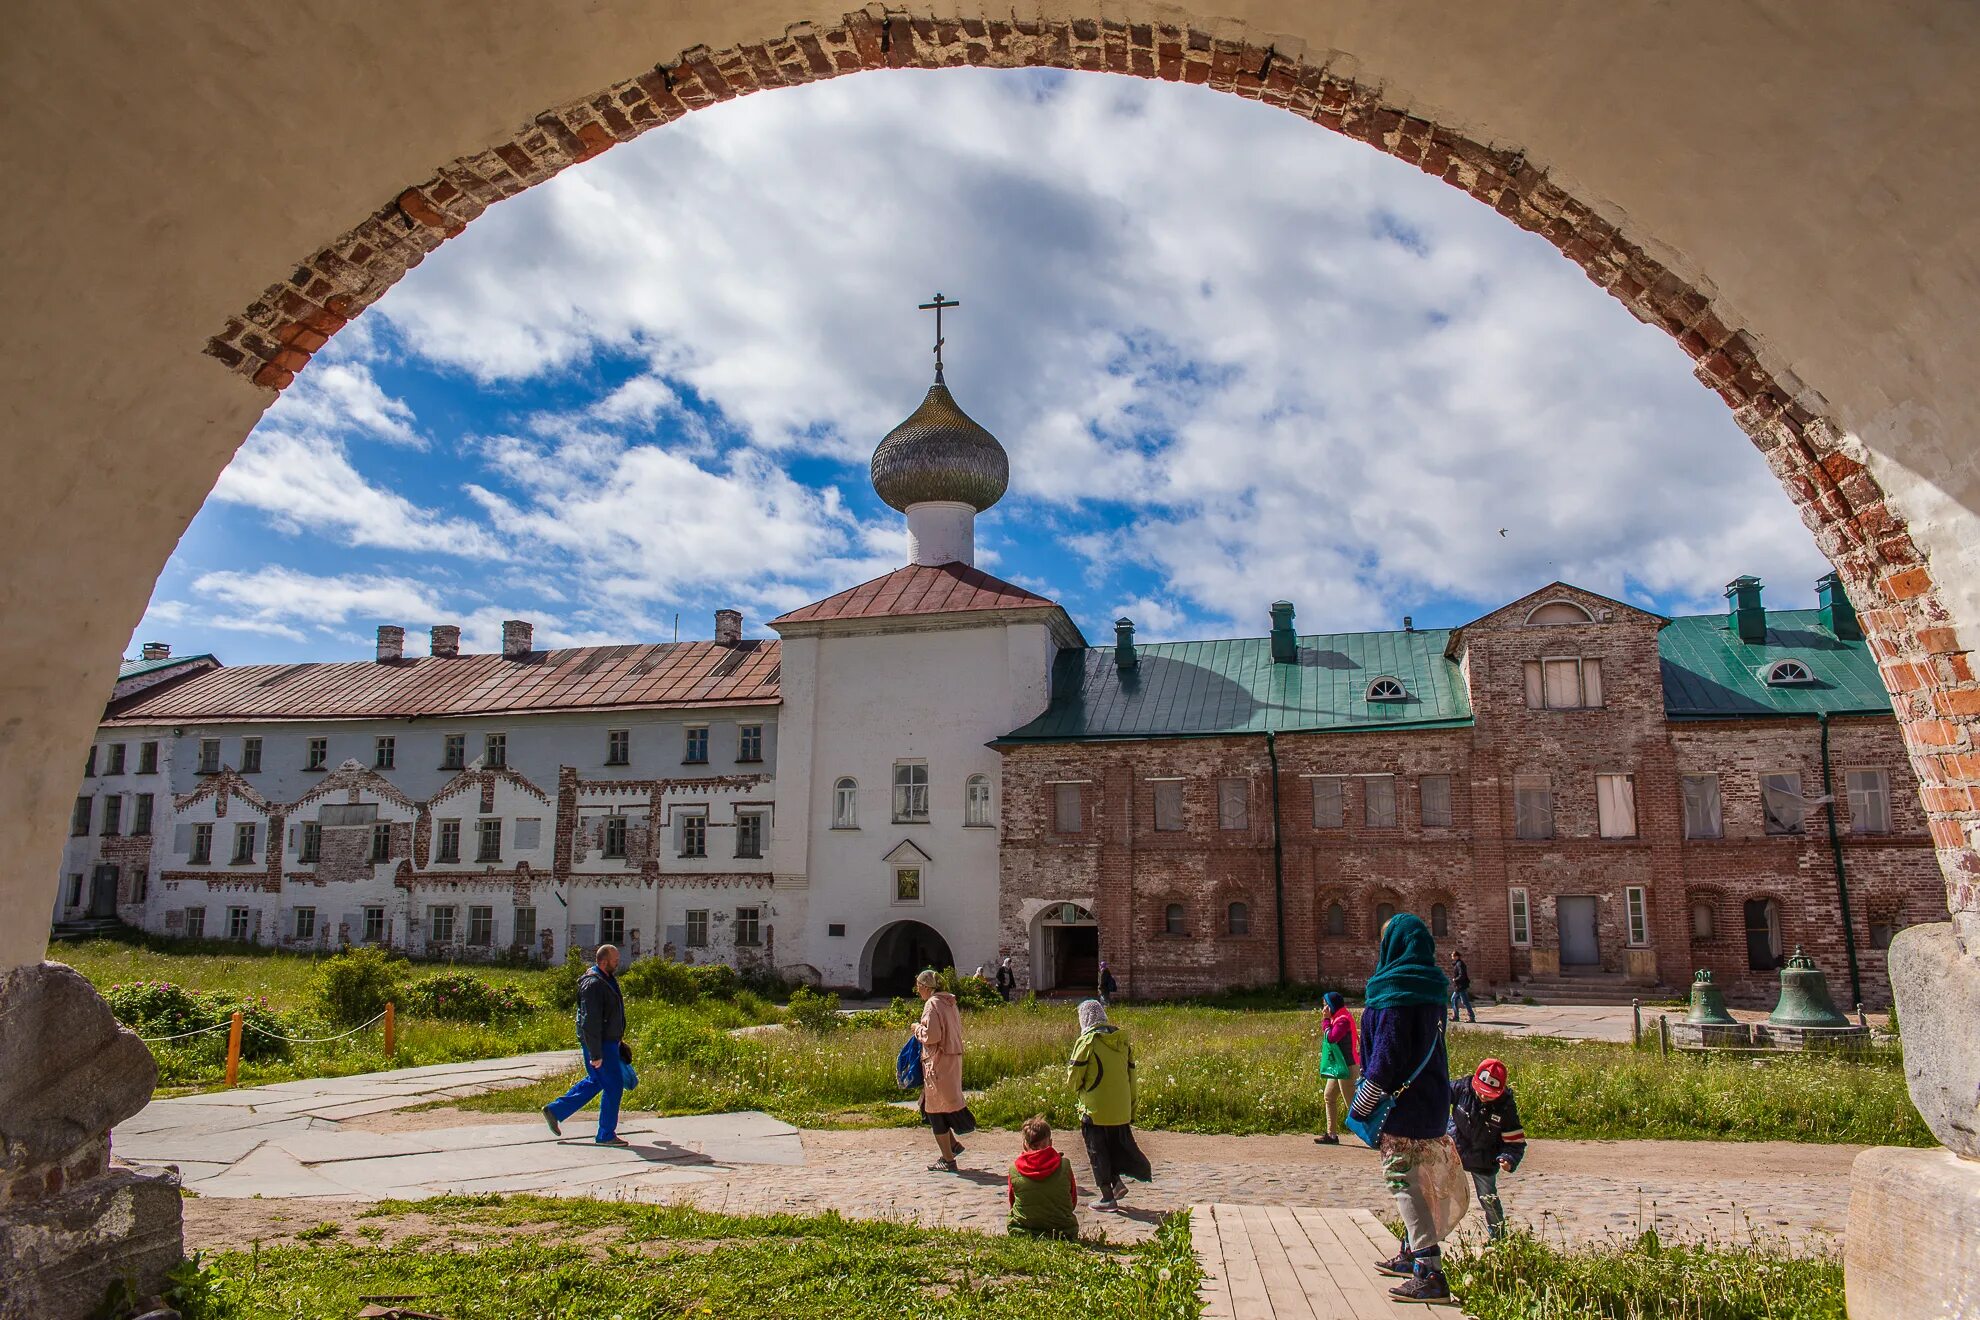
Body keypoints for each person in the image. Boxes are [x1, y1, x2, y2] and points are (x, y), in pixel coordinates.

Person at [1351, 914, 1455, 1304]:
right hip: (1432, 1100)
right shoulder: (1431, 986)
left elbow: (1387, 1056)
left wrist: (1362, 1105)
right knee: (1420, 1179)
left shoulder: (1395, 990)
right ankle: (1411, 1252)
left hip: (1403, 1106)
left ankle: (1429, 1271)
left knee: (1403, 1182)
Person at [542, 943, 629, 1147]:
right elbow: (590, 1022)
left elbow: (610, 1015)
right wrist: (596, 1053)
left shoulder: (607, 979)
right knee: (613, 1086)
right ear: (604, 961)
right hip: (599, 1045)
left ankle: (556, 1110)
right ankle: (606, 1134)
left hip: (608, 1042)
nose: (618, 964)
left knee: (597, 1081)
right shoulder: (593, 984)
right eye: (615, 961)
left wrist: (618, 1039)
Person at [1068, 998, 1150, 1210]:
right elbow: (1131, 1077)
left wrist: (1081, 1088)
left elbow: (1073, 1078)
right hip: (1120, 1109)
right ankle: (1117, 1183)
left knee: (1097, 1151)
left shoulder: (1088, 1042)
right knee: (1112, 1148)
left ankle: (1107, 1197)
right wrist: (1131, 1108)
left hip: (1095, 1109)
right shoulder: (1122, 1042)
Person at [1449, 1058, 1525, 1242]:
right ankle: (1432, 1235)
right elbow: (1436, 1096)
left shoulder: (1505, 1107)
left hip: (1484, 1158)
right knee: (1441, 1195)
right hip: (1454, 1148)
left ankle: (1498, 1237)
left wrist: (1508, 1158)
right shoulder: (1461, 1088)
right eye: (1481, 1092)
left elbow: (1515, 1141)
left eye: (1489, 1095)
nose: (1484, 1097)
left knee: (1488, 1199)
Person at [913, 968, 975, 1171]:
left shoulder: (932, 1004)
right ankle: (953, 1145)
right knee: (938, 1104)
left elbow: (932, 1035)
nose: (917, 990)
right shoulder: (949, 1002)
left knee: (936, 1110)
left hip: (937, 1062)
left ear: (924, 986)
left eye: (918, 986)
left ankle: (948, 1160)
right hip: (951, 1059)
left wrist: (917, 1029)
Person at [1006, 1114, 1079, 1239]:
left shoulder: (1014, 1168)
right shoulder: (1064, 1165)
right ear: (1050, 1142)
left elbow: (1012, 1201)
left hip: (1022, 1231)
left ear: (1024, 1145)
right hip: (1063, 1232)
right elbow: (1072, 1200)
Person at [1315, 989, 1360, 1145]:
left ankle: (1375, 1133)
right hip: (1339, 1067)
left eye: (1326, 1005)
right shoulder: (1338, 1017)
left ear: (1332, 1005)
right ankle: (1331, 1135)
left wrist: (1325, 1020)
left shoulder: (1342, 1020)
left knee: (1353, 1106)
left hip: (1347, 1067)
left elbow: (1332, 1038)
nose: (1324, 1008)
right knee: (1329, 1096)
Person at [1449, 951, 1477, 1024]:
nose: (1452, 957)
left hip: (1461, 986)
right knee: (1453, 999)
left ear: (1456, 956)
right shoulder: (1458, 963)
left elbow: (1462, 975)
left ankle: (1471, 1017)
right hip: (1458, 986)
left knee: (1465, 1002)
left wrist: (1455, 979)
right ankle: (1456, 1016)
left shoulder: (1460, 964)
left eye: (1453, 956)